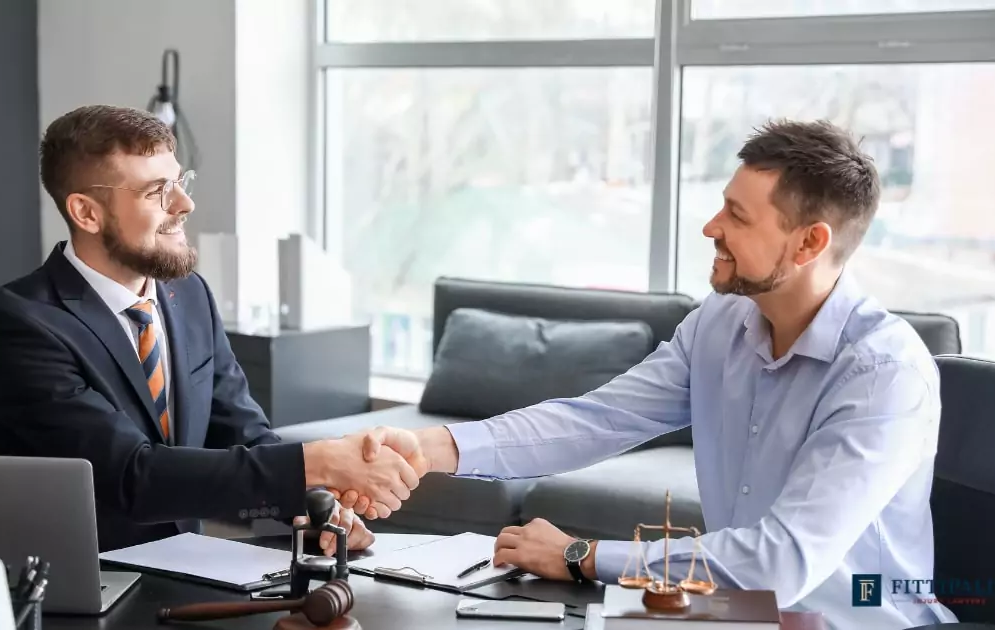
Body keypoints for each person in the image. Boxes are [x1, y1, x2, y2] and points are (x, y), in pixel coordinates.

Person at [347, 120, 959, 629]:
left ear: (808, 244)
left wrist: (584, 556)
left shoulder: (883, 375)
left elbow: (781, 561)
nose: (711, 227)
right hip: (740, 615)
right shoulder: (720, 324)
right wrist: (431, 448)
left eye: (737, 217)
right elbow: (597, 419)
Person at [0, 105, 418, 554]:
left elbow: (239, 432)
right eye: (157, 192)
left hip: (192, 567)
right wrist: (315, 461)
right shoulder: (20, 326)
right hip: (94, 587)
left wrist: (307, 506)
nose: (184, 205)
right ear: (86, 213)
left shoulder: (188, 295)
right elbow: (133, 477)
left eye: (180, 182)